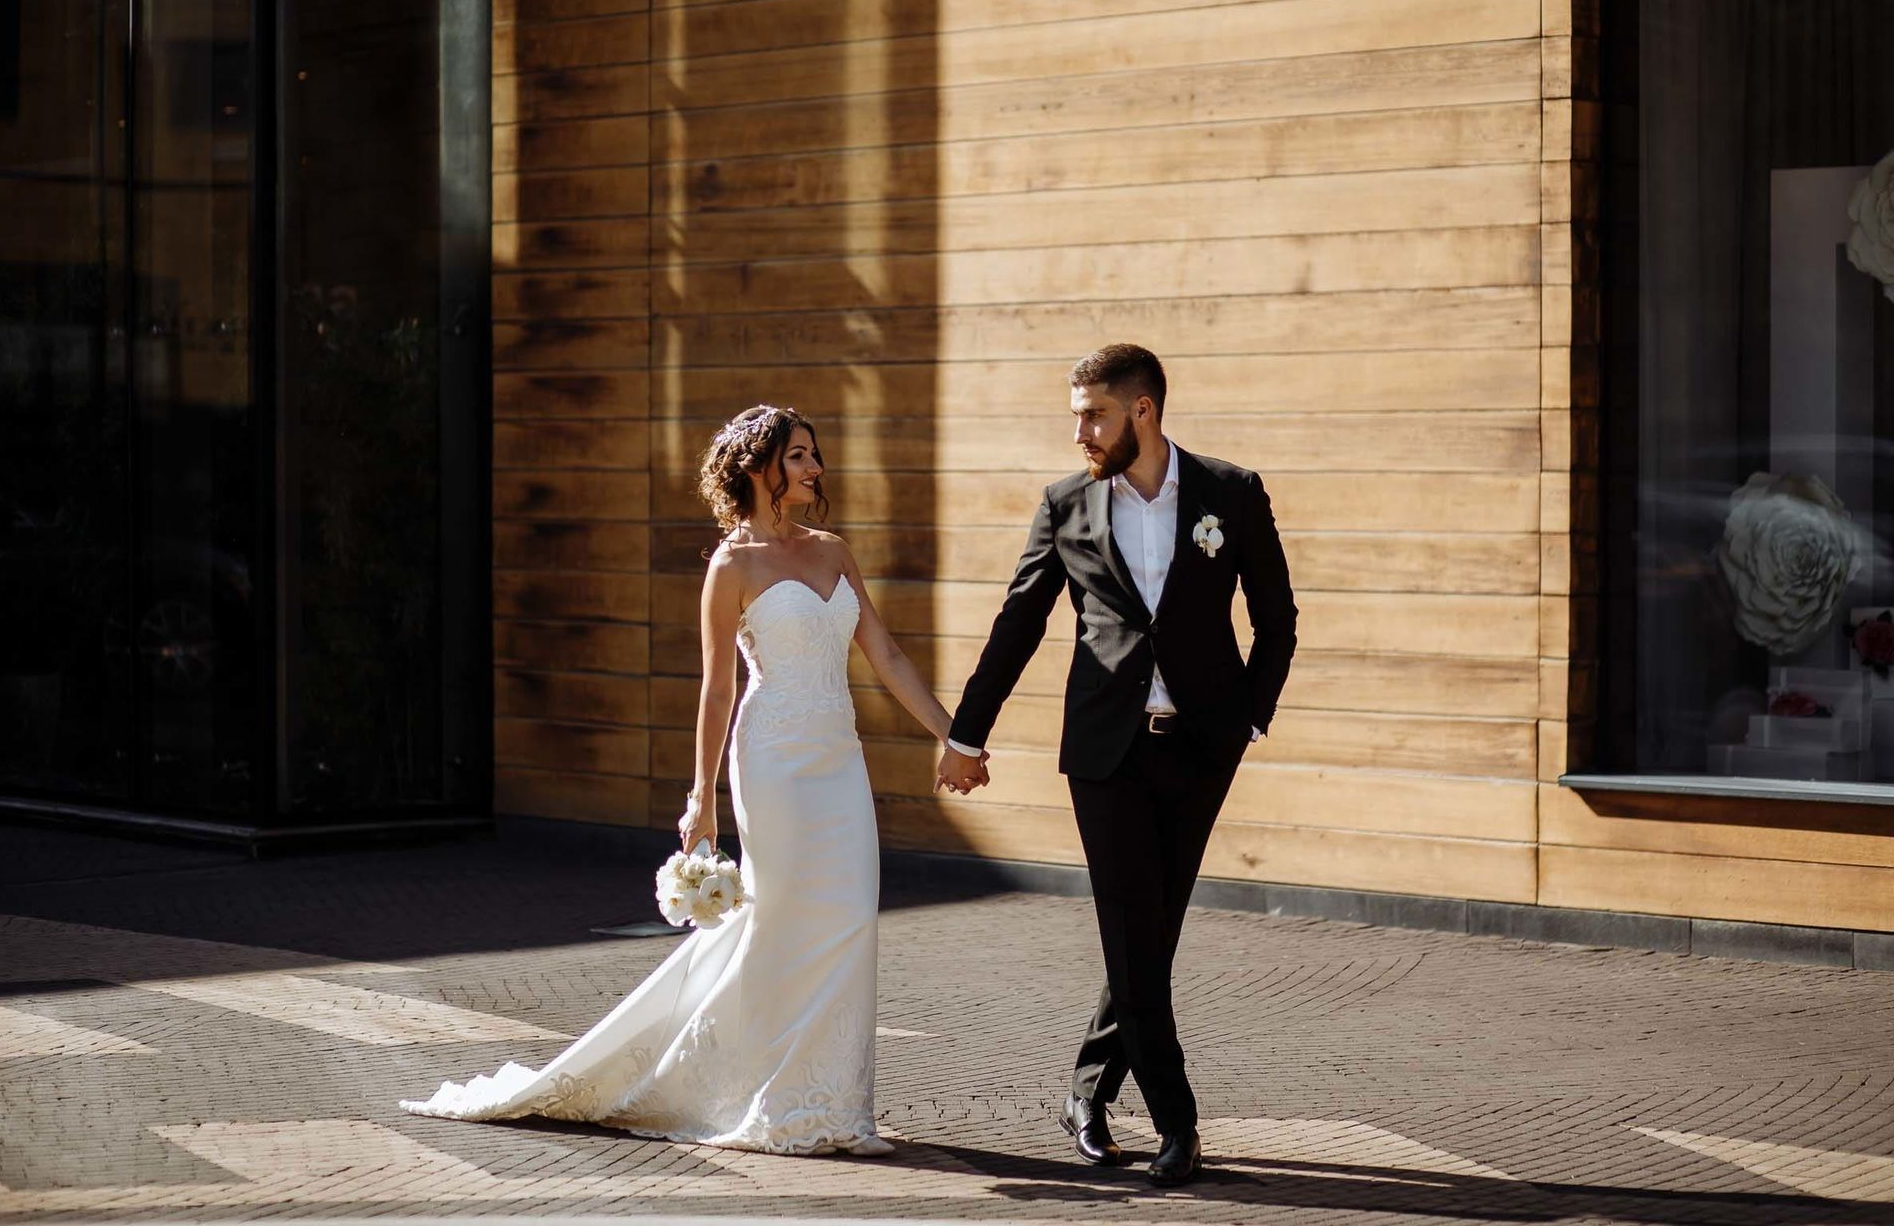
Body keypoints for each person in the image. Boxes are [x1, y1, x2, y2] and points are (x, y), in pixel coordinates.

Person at [401, 405, 973, 1155]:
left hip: (839, 761)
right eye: (797, 456)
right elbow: (716, 690)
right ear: (758, 468)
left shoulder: (833, 551)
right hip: (773, 761)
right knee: (780, 921)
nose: (814, 469)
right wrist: (701, 796)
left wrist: (953, 736)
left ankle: (834, 1105)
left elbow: (887, 655)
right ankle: (776, 1097)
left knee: (849, 917)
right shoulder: (730, 565)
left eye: (813, 455)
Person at [937, 344, 1296, 1187]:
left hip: (1202, 747)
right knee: (1135, 936)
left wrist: (1250, 712)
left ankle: (1088, 1091)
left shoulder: (1229, 494)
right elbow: (1017, 622)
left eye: (1092, 414)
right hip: (1106, 752)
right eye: (1075, 416)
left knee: (1149, 939)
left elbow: (1276, 615)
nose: (1079, 433)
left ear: (1142, 410)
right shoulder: (1066, 505)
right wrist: (965, 734)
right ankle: (1178, 1125)